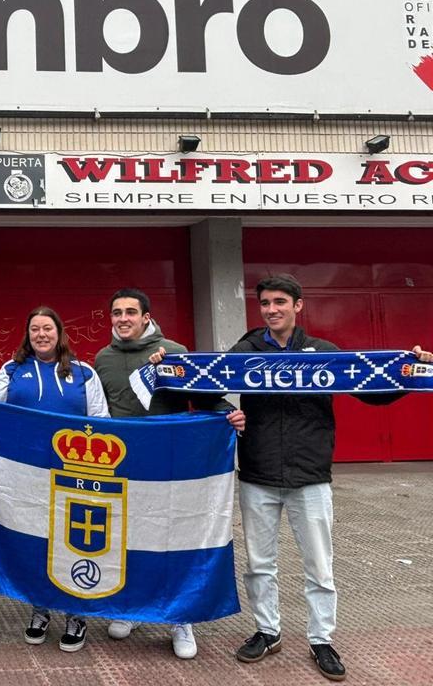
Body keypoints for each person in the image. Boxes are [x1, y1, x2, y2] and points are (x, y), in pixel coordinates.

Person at [229, 274, 433, 681]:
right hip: (257, 473)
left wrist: (412, 372)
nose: (271, 309)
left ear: (298, 305)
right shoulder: (245, 351)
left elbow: (372, 390)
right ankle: (268, 631)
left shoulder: (324, 353)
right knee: (259, 564)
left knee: (319, 567)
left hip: (310, 476)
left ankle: (321, 639)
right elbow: (204, 386)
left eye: (280, 302)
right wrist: (224, 411)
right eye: (265, 303)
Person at [93, 288, 245, 660]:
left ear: (146, 317)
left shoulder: (174, 352)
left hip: (171, 467)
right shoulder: (103, 359)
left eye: (131, 312)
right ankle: (133, 608)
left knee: (172, 541)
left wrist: (228, 414)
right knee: (128, 540)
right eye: (117, 312)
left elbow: (204, 396)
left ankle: (180, 619)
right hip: (124, 468)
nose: (123, 319)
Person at [0, 305, 109, 653]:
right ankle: (40, 609)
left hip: (75, 476)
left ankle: (76, 613)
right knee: (36, 543)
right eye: (35, 330)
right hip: (26, 476)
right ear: (28, 336)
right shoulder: (11, 370)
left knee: (74, 543)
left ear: (59, 333)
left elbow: (102, 421)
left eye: (47, 328)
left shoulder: (84, 373)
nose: (41, 335)